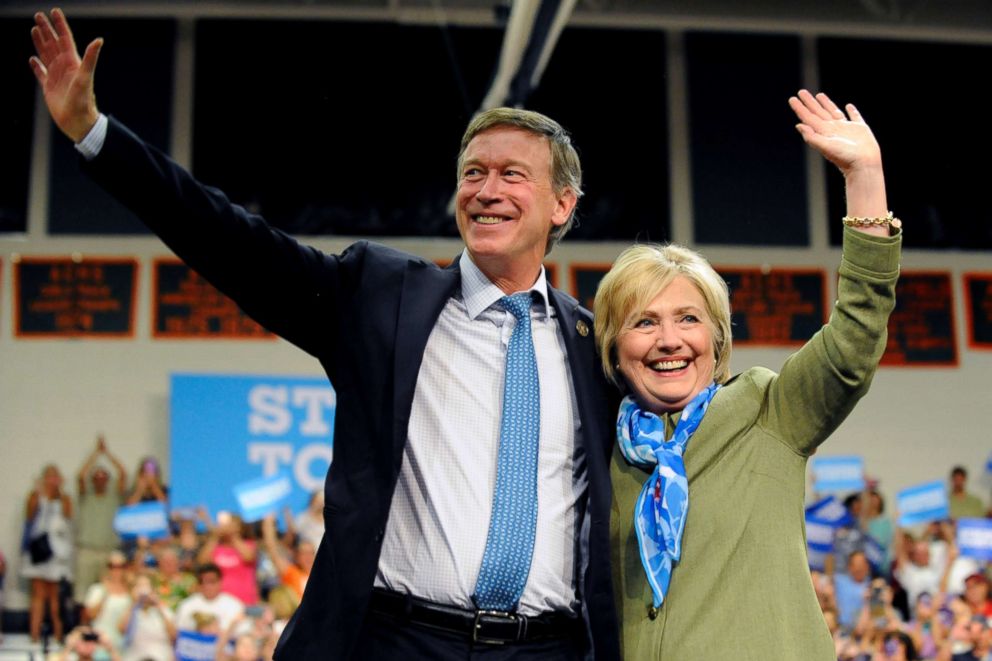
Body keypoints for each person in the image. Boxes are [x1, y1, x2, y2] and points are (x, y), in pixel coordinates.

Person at [29, 8, 619, 660]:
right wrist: (94, 135)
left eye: (513, 174)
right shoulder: (379, 297)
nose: (486, 189)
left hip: (550, 648)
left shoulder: (597, 344)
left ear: (562, 204)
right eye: (473, 171)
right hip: (397, 641)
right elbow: (230, 240)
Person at [595, 90, 901, 658]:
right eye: (644, 322)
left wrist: (865, 178)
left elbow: (855, 338)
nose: (668, 340)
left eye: (688, 319)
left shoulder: (769, 412)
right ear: (615, 348)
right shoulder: (598, 452)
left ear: (717, 338)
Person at [22, 463, 75, 642]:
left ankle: (59, 634)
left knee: (55, 596)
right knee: (38, 595)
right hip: (39, 550)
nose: (52, 480)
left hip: (57, 552)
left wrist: (58, 491)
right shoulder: (35, 496)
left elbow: (68, 516)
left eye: (55, 476)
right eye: (49, 476)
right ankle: (34, 634)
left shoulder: (65, 498)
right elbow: (29, 515)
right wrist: (39, 493)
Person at [75, 434, 128, 603]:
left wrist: (107, 453)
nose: (100, 480)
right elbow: (80, 476)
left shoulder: (114, 497)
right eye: (96, 477)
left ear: (107, 480)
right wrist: (96, 454)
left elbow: (123, 473)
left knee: (106, 592)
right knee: (83, 595)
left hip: (108, 550)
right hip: (87, 550)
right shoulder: (86, 496)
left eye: (103, 476)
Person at [174, 563, 244, 635]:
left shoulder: (234, 605)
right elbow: (179, 632)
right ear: (198, 584)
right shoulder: (187, 605)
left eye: (211, 582)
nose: (207, 586)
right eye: (202, 582)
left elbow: (240, 634)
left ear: (220, 582)